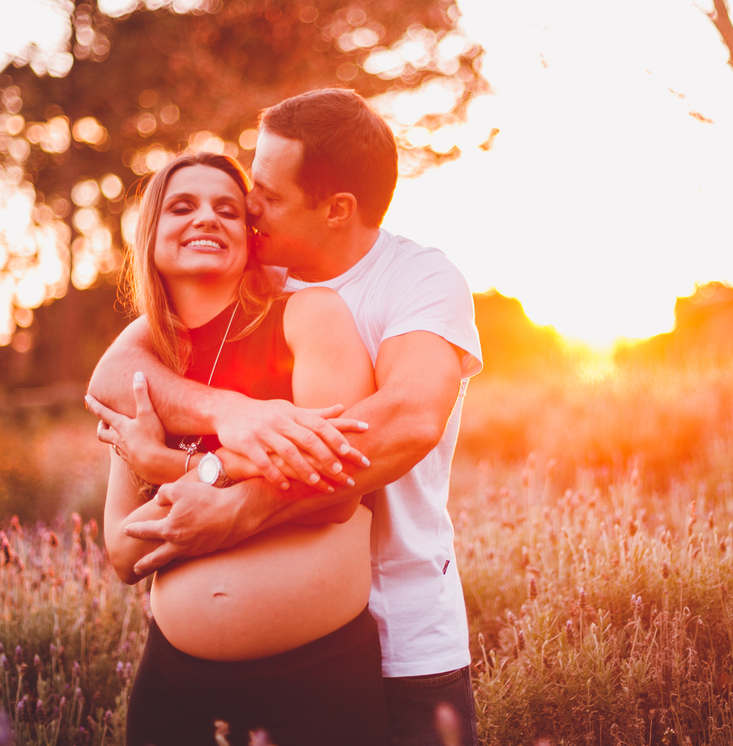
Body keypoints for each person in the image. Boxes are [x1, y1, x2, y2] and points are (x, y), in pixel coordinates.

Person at [87, 88, 484, 745]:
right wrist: (231, 414)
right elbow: (117, 374)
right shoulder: (257, 279)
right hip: (216, 675)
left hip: (406, 637)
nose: (248, 206)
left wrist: (210, 483)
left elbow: (405, 420)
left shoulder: (418, 280)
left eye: (264, 192)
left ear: (337, 210)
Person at [98, 151, 387, 746]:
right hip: (174, 689)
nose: (207, 218)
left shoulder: (307, 318)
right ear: (150, 234)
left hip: (317, 681)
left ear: (249, 239)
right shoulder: (148, 369)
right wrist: (214, 472)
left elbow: (336, 486)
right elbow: (124, 552)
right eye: (183, 206)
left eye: (227, 210)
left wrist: (174, 472)